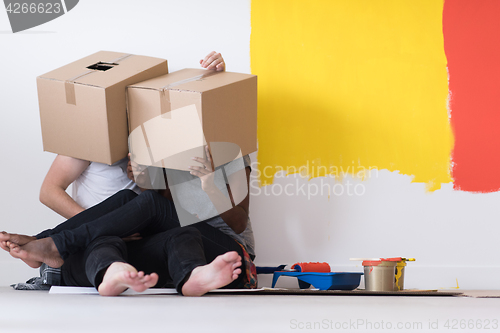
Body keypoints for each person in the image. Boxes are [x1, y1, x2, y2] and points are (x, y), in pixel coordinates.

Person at [1, 146, 256, 296]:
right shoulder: (171, 151)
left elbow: (238, 222)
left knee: (148, 204)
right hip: (186, 241)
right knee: (129, 198)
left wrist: (210, 185)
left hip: (231, 252)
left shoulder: (232, 152)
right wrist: (148, 182)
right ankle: (192, 277)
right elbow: (163, 212)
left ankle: (51, 243)